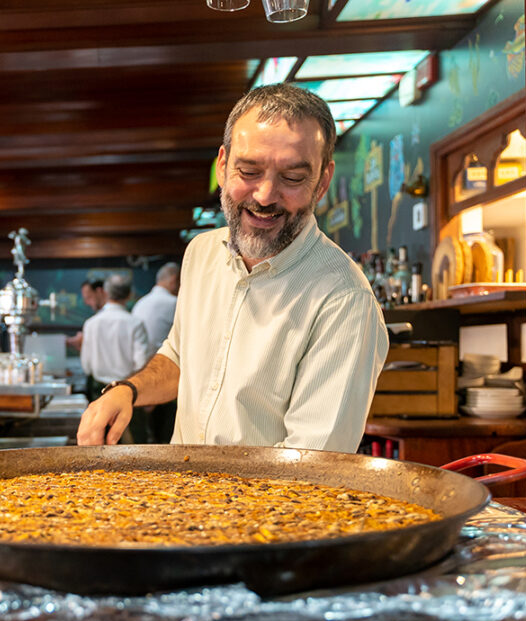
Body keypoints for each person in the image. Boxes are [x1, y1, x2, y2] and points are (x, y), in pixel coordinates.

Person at [77, 83, 388, 453]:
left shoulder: (345, 300)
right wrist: (128, 390)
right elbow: (180, 356)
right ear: (223, 166)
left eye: (292, 178)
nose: (265, 196)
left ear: (322, 182)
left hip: (266, 510)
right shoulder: (201, 253)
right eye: (249, 171)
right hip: (178, 498)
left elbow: (312, 468)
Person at [80, 274, 151, 443]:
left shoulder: (91, 323)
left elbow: (86, 366)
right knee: (137, 450)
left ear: (105, 292)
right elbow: (141, 362)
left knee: (101, 447)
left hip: (99, 393)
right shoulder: (135, 323)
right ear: (129, 295)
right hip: (130, 392)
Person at [130, 262, 180, 443]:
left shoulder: (140, 303)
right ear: (174, 281)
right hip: (166, 374)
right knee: (166, 436)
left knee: (150, 436)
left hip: (143, 373)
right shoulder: (174, 303)